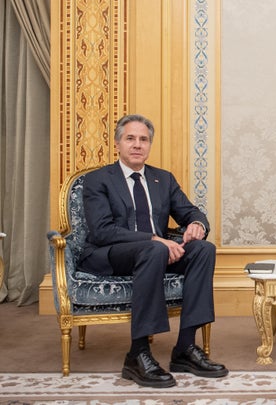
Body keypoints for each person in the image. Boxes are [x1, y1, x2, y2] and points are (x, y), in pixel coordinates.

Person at [79, 114, 227, 388]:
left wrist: (196, 224)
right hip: (111, 253)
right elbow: (101, 231)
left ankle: (184, 349)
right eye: (130, 138)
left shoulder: (163, 179)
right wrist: (154, 240)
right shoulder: (98, 180)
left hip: (155, 254)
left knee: (203, 249)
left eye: (143, 139)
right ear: (117, 144)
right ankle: (137, 354)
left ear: (149, 145)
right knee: (154, 250)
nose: (137, 145)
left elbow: (191, 211)